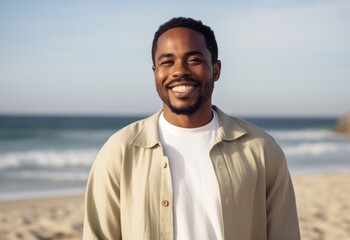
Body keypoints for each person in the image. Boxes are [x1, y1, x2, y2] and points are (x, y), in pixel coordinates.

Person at [83, 17, 300, 240]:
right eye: (167, 62)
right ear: (155, 72)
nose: (180, 71)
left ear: (216, 70)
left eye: (194, 60)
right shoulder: (119, 151)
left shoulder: (262, 149)